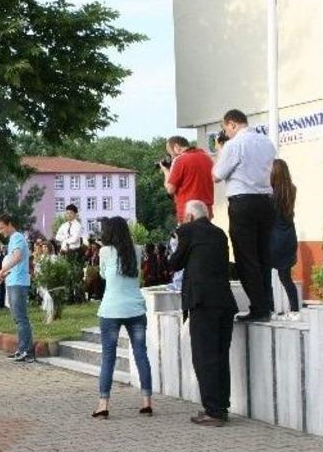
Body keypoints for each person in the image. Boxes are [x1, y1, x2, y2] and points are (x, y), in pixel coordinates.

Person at [168, 201, 238, 427]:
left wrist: (176, 241)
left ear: (189, 216)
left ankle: (213, 412)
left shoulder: (188, 230)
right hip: (224, 302)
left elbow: (175, 263)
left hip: (202, 302)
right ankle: (221, 406)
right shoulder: (219, 233)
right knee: (220, 356)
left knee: (204, 357)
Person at [212, 109, 276, 322]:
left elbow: (217, 175)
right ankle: (267, 303)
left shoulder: (234, 145)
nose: (226, 133)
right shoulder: (266, 142)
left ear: (231, 124)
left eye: (225, 129)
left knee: (246, 257)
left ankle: (259, 307)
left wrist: (220, 150)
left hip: (242, 202)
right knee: (263, 255)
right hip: (265, 201)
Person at [91, 217, 153, 420]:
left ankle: (103, 405)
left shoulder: (105, 251)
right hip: (135, 308)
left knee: (108, 357)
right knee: (141, 354)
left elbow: (103, 275)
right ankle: (146, 403)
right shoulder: (137, 250)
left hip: (111, 310)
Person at [0, 214, 34, 363]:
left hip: (18, 282)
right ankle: (22, 349)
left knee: (21, 318)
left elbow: (17, 257)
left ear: (9, 224)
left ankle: (27, 351)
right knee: (18, 318)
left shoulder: (17, 237)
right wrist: (4, 274)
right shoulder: (12, 239)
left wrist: (2, 271)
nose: (0, 231)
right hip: (13, 281)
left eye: (2, 228)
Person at [267, 159, 299, 318]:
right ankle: (295, 309)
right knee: (286, 278)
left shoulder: (270, 194)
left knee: (265, 275)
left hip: (273, 237)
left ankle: (270, 308)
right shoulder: (291, 190)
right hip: (289, 236)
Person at [161, 135, 214, 222]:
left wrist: (166, 171)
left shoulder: (180, 160)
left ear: (176, 147)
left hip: (188, 213)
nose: (171, 157)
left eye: (170, 153)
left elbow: (170, 189)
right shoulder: (207, 158)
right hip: (206, 210)